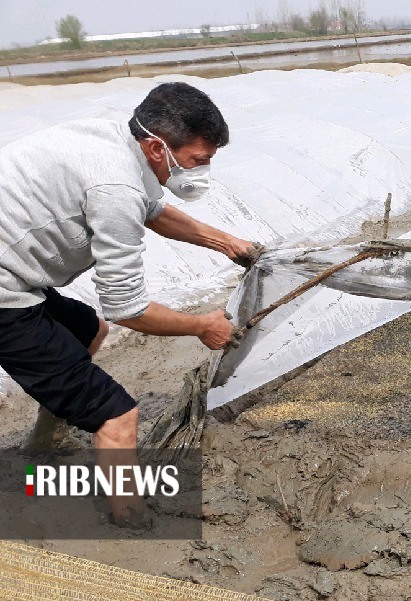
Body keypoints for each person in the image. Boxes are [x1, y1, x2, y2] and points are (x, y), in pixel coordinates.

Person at [0, 82, 258, 525]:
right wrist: (202, 326)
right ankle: (128, 515)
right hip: (6, 293)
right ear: (158, 148)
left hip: (16, 272)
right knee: (117, 415)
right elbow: (127, 308)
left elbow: (152, 209)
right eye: (198, 161)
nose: (201, 172)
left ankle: (44, 443)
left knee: (87, 330)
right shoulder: (114, 185)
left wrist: (225, 241)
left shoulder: (120, 140)